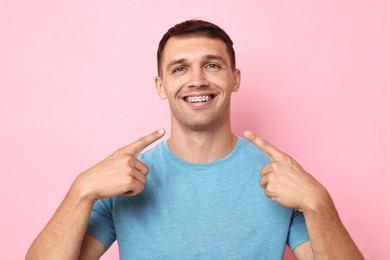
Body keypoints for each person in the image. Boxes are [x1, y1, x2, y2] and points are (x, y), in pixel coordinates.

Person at [26, 20, 363, 259]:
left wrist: (319, 203)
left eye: (212, 65)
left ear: (235, 79)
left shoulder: (278, 179)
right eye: (180, 68)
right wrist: (81, 190)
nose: (197, 80)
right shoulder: (124, 179)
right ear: (161, 86)